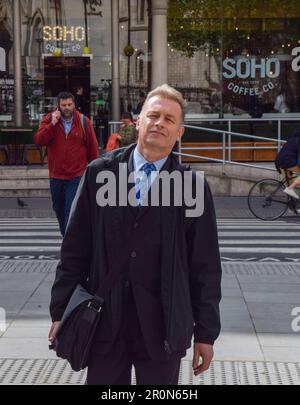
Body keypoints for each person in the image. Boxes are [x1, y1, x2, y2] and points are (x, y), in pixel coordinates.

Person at [48, 84, 222, 385]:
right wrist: (60, 309)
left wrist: (205, 333)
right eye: (153, 115)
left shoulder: (192, 187)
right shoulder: (99, 174)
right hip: (104, 318)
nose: (159, 123)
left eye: (169, 119)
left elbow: (205, 265)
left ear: (179, 133)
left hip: (163, 324)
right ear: (138, 122)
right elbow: (75, 248)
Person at [34, 91, 99, 236]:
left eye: (70, 104)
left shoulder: (84, 121)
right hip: (56, 177)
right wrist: (52, 124)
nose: (67, 107)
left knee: (70, 211)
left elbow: (93, 149)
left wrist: (94, 173)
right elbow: (39, 140)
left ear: (74, 104)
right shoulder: (49, 119)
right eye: (64, 105)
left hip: (76, 176)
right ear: (59, 105)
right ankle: (68, 241)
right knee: (59, 211)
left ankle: (69, 248)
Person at [275, 127, 300, 199]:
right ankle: (290, 188)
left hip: (279, 162)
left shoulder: (291, 139)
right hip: (288, 162)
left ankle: (293, 208)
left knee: (291, 191)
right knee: (291, 188)